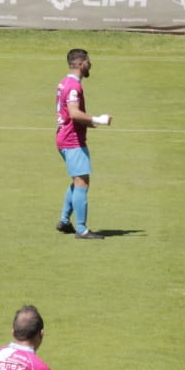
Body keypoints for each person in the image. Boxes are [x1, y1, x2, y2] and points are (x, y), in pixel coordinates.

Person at [55, 48, 110, 239]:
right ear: (80, 64)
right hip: (72, 140)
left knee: (77, 181)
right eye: (87, 61)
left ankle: (64, 221)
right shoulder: (73, 86)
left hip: (65, 137)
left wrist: (88, 122)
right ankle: (81, 229)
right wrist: (98, 120)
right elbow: (73, 113)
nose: (90, 64)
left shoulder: (64, 82)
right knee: (82, 183)